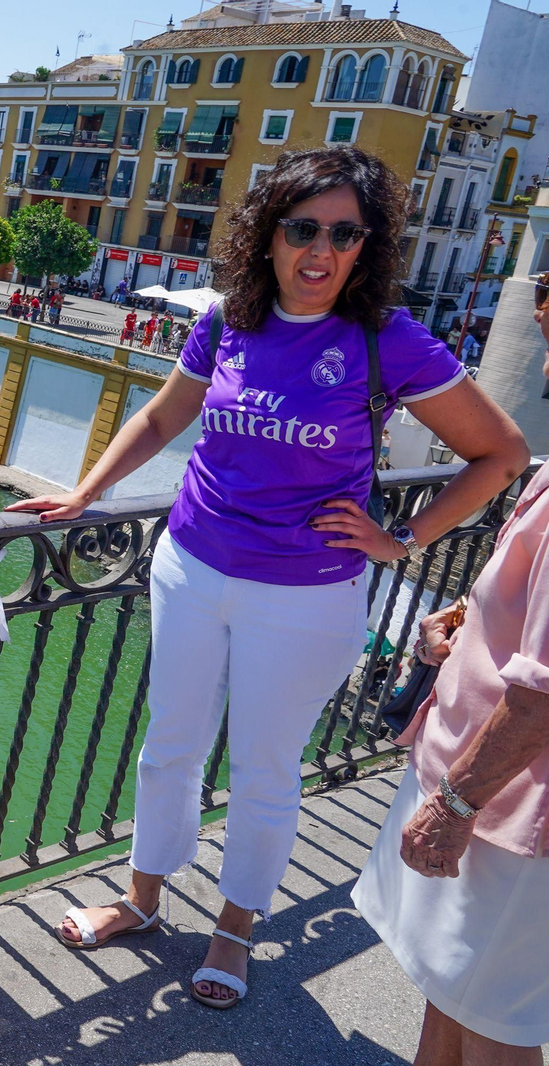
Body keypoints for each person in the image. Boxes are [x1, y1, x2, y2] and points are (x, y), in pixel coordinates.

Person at [5, 146, 527, 1010]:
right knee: (169, 745)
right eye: (303, 228)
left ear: (367, 247)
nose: (320, 250)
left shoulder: (387, 340)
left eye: (344, 234)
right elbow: (164, 415)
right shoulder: (229, 320)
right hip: (189, 566)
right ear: (269, 233)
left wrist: (401, 539)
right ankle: (142, 901)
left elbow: (501, 454)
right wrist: (85, 493)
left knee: (264, 769)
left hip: (307, 594)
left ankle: (234, 929)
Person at [353, 273, 549, 1063]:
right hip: (493, 797)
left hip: (510, 811)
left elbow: (544, 695)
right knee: (452, 991)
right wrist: (471, 620)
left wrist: (455, 805)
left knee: (495, 1025)